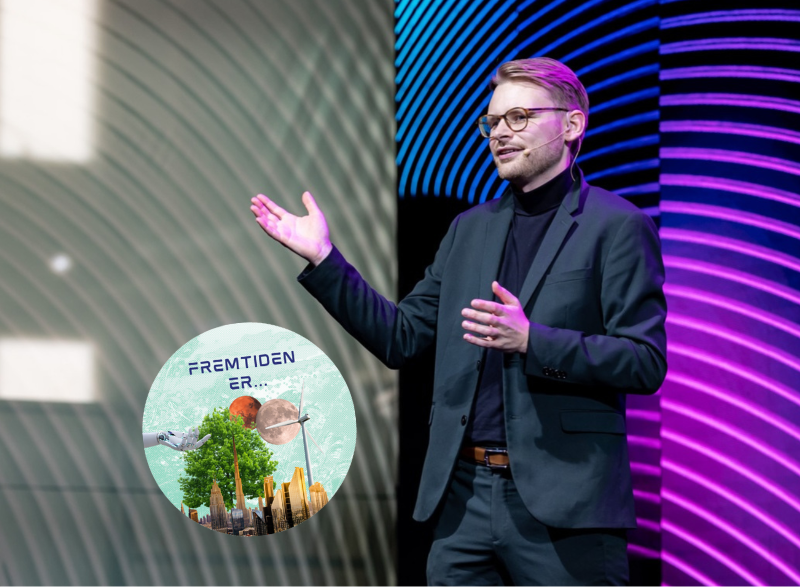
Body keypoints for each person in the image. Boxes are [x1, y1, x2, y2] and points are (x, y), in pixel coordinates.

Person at [250, 57, 667, 585]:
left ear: (571, 125)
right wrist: (325, 260)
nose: (500, 133)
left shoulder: (617, 226)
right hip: (463, 500)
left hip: (566, 506)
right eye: (492, 122)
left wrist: (533, 341)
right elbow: (400, 337)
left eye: (518, 117)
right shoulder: (469, 230)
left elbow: (644, 361)